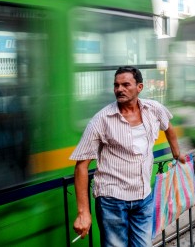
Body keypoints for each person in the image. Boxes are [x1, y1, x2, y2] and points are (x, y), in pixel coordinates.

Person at [70, 66, 186, 246]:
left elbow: (168, 128)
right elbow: (81, 166)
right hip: (112, 201)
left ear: (139, 87)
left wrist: (177, 154)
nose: (119, 89)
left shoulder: (153, 109)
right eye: (116, 85)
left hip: (144, 197)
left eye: (125, 85)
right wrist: (83, 212)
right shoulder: (101, 120)